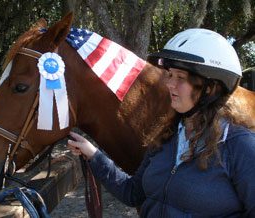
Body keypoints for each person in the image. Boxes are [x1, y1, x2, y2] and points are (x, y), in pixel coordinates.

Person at [67, 28, 255, 217]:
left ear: (210, 88)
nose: (169, 84)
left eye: (180, 77)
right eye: (170, 75)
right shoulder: (167, 136)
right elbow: (132, 192)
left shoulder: (238, 146)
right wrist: (93, 155)